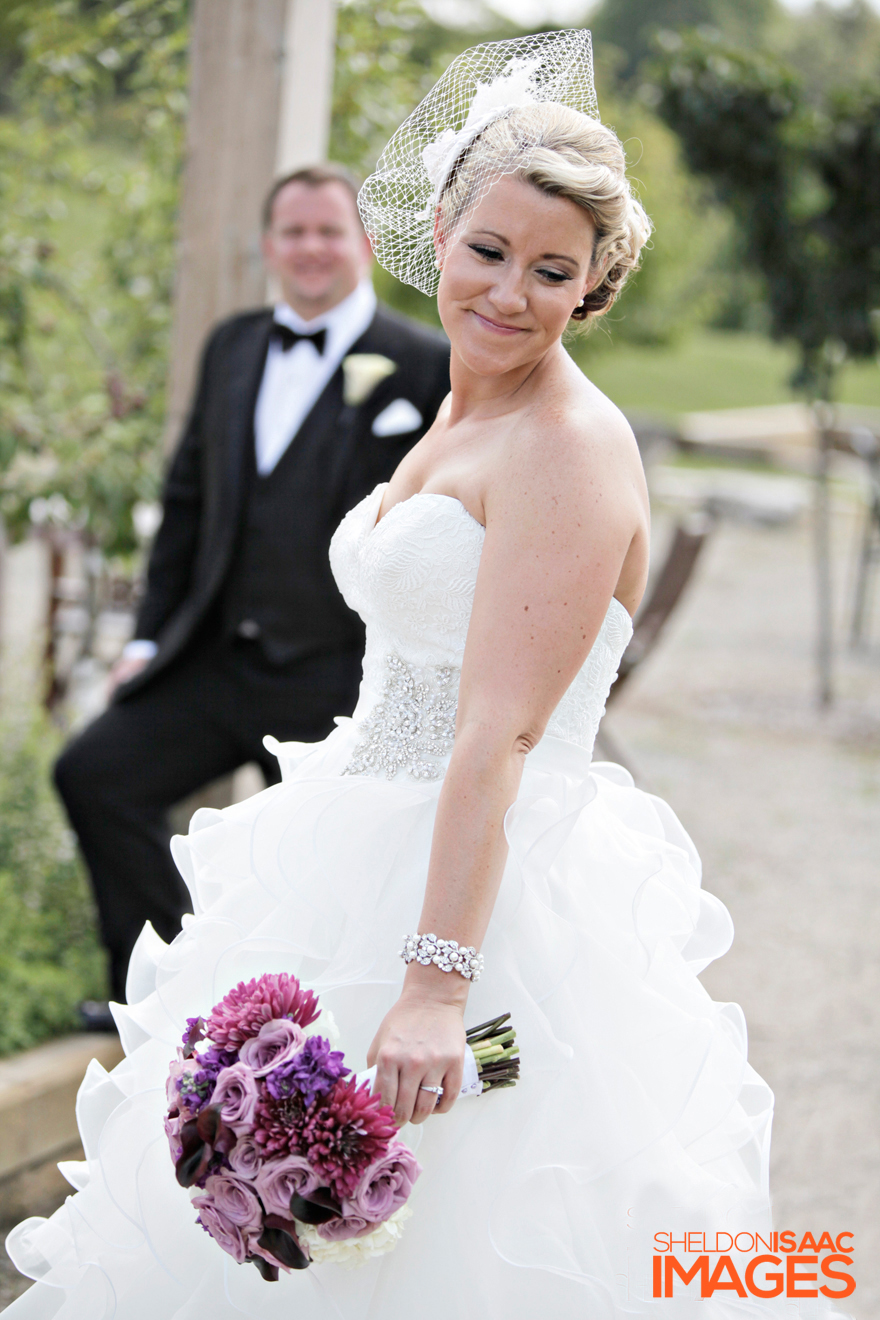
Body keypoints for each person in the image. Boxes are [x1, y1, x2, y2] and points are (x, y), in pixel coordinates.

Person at [8, 32, 847, 1319]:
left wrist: (435, 984)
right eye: (490, 251)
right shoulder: (465, 407)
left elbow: (499, 736)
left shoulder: (566, 446)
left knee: (469, 1236)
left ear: (593, 287)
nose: (510, 293)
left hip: (480, 882)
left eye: (552, 271)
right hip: (358, 818)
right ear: (439, 229)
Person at [53, 163, 450, 1007]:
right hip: (215, 658)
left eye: (329, 231)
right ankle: (165, 993)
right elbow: (188, 502)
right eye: (294, 233)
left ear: (366, 244)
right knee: (95, 775)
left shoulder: (425, 364)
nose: (311, 249)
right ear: (270, 246)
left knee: (324, 864)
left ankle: (307, 1026)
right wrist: (148, 641)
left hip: (337, 676)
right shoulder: (231, 344)